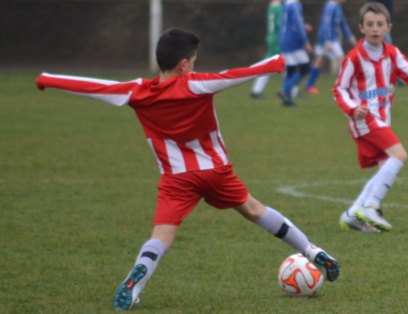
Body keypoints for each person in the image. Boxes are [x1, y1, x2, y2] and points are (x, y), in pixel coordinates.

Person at [35, 28, 340, 311]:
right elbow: (235, 75)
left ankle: (137, 280)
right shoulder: (196, 83)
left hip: (177, 179)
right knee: (253, 209)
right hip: (216, 171)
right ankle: (312, 251)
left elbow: (95, 87)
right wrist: (275, 62)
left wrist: (48, 79)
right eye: (193, 61)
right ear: (184, 64)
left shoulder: (138, 92)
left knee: (162, 235)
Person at [333, 2, 408, 232]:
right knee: (400, 155)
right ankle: (371, 206)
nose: (375, 29)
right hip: (364, 120)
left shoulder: (392, 53)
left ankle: (352, 214)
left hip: (382, 120)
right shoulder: (354, 58)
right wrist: (352, 109)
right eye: (370, 24)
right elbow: (339, 89)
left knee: (385, 167)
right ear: (361, 27)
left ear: (388, 27)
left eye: (380, 24)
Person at [304, 0, 357, 95]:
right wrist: (327, 41)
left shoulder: (338, 7)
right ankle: (342, 87)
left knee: (320, 60)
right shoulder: (330, 6)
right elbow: (326, 24)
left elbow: (343, 24)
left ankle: (309, 86)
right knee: (342, 59)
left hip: (330, 39)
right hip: (329, 39)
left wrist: (351, 37)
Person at [278, 0, 312, 106]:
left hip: (285, 40)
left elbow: (290, 22)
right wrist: (305, 41)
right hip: (294, 42)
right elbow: (297, 23)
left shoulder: (286, 4)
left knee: (291, 70)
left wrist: (303, 25)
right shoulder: (295, 4)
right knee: (305, 68)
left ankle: (286, 100)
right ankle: (285, 90)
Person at [251, 0, 284, 99]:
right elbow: (281, 24)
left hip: (271, 36)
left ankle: (289, 89)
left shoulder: (271, 6)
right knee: (270, 64)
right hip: (277, 38)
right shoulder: (278, 8)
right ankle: (257, 90)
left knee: (282, 63)